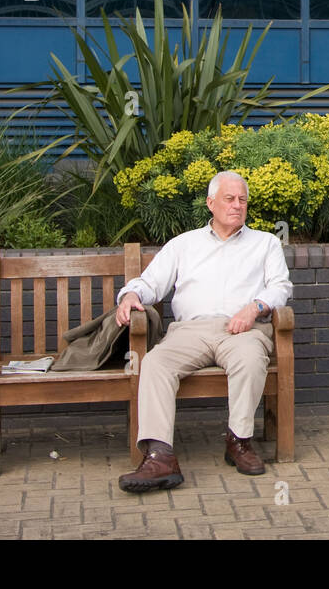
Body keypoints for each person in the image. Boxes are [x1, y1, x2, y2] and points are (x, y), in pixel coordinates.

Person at [115, 170, 291, 492]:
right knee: (154, 363)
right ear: (211, 203)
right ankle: (160, 456)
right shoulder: (184, 244)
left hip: (243, 330)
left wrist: (254, 308)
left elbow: (281, 287)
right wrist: (131, 295)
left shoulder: (266, 243)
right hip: (189, 331)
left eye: (242, 200)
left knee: (251, 360)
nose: (237, 205)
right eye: (229, 199)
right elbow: (151, 282)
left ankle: (238, 441)